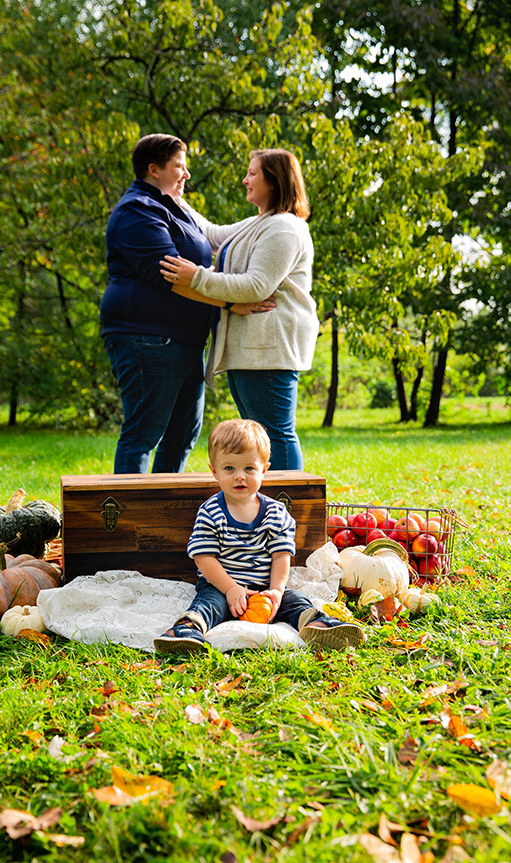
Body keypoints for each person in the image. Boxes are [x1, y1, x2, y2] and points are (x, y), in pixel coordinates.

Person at [102, 133, 271, 475]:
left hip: (183, 339)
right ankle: (128, 522)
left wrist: (277, 213)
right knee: (144, 433)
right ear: (153, 169)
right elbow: (174, 277)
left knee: (182, 434)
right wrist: (226, 302)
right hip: (146, 336)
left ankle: (162, 513)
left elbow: (217, 238)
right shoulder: (138, 211)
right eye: (179, 166)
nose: (186, 174)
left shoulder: (174, 208)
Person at [159, 148, 319, 470]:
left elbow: (256, 286)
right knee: (263, 434)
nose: (245, 180)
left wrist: (197, 277)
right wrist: (171, 196)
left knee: (276, 434)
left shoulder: (285, 228)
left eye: (253, 173)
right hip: (251, 349)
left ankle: (293, 511)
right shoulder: (261, 222)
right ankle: (274, 508)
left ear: (273, 180)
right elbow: (212, 234)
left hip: (269, 351)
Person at [153, 419, 364, 654]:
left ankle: (318, 625)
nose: (239, 476)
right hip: (222, 585)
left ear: (264, 469)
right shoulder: (211, 511)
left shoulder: (275, 512)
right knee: (210, 604)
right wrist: (231, 589)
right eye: (229, 468)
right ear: (215, 471)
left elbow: (281, 556)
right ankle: (186, 630)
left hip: (264, 586)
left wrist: (276, 590)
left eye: (249, 469)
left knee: (294, 600)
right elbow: (204, 558)